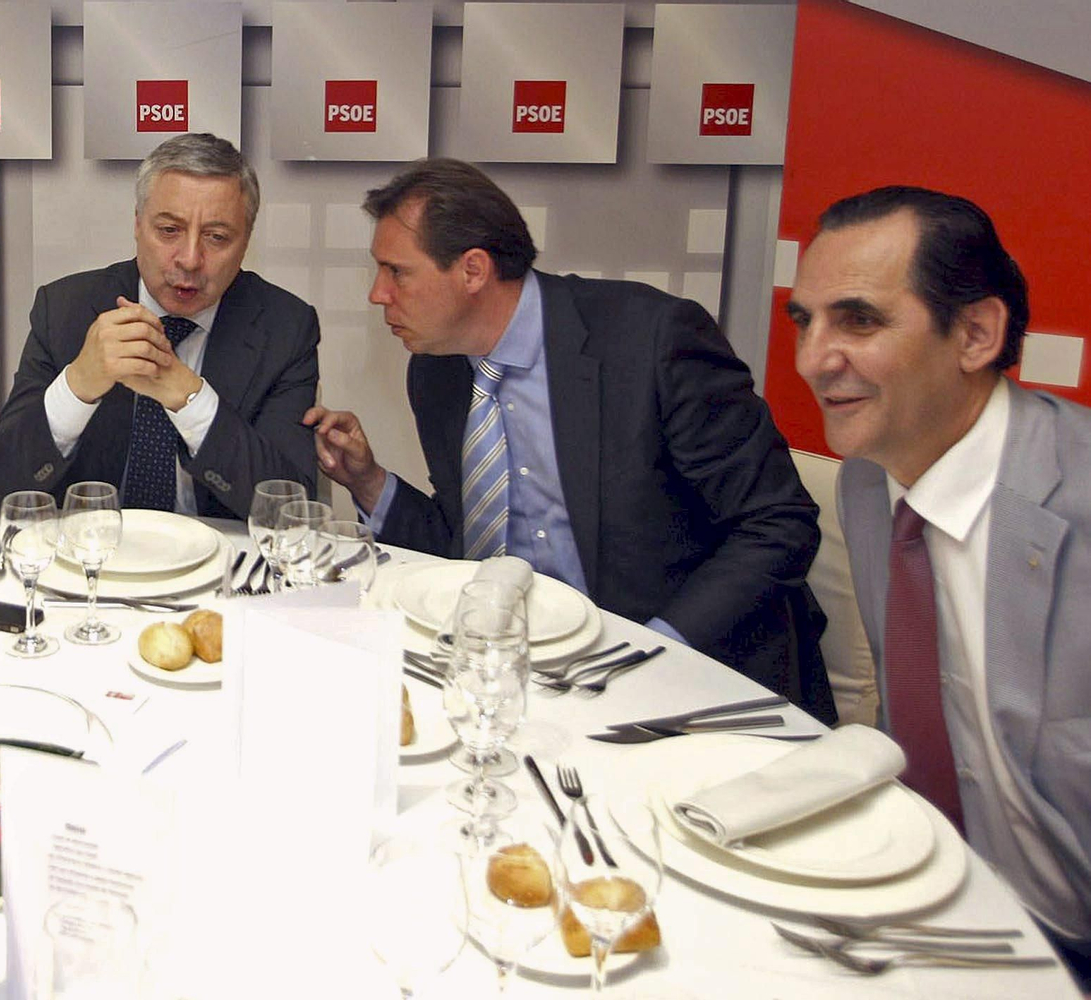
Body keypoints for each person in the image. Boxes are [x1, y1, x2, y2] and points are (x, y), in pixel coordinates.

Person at [306, 158, 831, 717]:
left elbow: (777, 524)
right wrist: (369, 482)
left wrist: (654, 649)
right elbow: (471, 548)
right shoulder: (438, 372)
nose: (377, 294)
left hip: (692, 682)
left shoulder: (650, 341)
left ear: (473, 270)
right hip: (533, 683)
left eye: (396, 272)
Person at [789, 186, 1089, 960]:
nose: (812, 359)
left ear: (977, 333)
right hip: (945, 907)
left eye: (858, 319)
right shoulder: (867, 484)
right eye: (805, 320)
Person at [0, 133, 318, 517]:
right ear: (138, 225)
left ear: (246, 242)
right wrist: (78, 386)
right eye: (169, 230)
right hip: (94, 559)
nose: (189, 259)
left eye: (217, 237)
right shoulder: (65, 309)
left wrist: (188, 397)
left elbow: (292, 509)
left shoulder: (285, 327)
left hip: (217, 566)